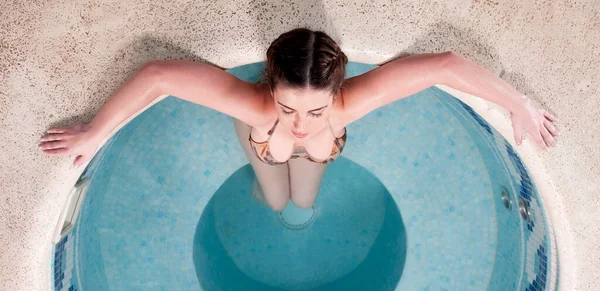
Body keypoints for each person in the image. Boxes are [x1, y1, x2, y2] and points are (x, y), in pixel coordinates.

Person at [39, 28, 560, 212]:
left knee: (304, 199)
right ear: (271, 86)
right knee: (275, 195)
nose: (302, 120)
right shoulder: (257, 106)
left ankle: (289, 196)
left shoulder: (349, 102)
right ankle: (268, 192)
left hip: (318, 154)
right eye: (289, 106)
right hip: (261, 145)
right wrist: (96, 130)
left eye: (315, 108)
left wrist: (519, 103)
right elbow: (157, 75)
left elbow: (445, 66)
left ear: (336, 89)